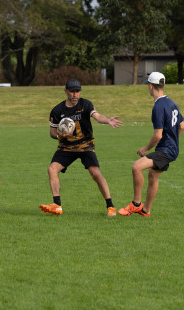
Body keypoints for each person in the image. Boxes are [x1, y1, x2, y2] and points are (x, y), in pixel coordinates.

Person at [40, 79, 123, 216]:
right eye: (72, 91)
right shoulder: (57, 110)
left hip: (85, 145)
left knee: (95, 173)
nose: (75, 94)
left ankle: (110, 206)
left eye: (77, 91)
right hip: (66, 147)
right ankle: (57, 205)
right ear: (65, 91)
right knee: (52, 170)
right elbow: (52, 133)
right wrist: (60, 135)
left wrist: (108, 120)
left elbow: (98, 116)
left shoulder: (86, 104)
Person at [119, 72, 184, 217]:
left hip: (165, 150)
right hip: (171, 149)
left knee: (136, 167)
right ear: (163, 85)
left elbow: (158, 135)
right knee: (153, 176)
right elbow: (182, 126)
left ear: (150, 86)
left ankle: (136, 204)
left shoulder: (158, 106)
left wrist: (146, 149)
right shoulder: (172, 104)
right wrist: (173, 142)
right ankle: (145, 211)